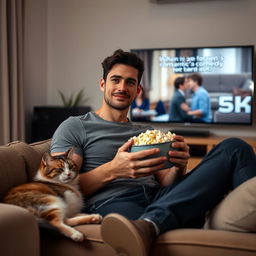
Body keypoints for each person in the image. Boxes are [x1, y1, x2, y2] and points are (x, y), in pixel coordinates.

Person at [50, 49, 256, 256]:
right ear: (103, 84)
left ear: (138, 90)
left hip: (159, 197)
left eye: (130, 82)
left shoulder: (147, 133)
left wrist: (178, 166)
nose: (122, 87)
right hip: (114, 201)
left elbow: (166, 182)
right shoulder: (76, 126)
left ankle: (152, 223)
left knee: (235, 148)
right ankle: (157, 222)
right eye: (116, 80)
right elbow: (58, 190)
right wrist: (113, 170)